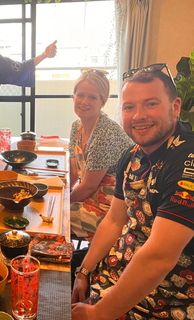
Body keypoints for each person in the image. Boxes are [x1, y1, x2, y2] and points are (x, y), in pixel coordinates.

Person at [71, 64, 194, 320]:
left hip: (172, 292)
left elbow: (158, 257)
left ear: (175, 107)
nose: (138, 116)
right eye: (129, 107)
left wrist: (96, 314)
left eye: (151, 104)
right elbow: (114, 221)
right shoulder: (132, 156)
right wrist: (84, 271)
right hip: (122, 262)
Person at [68, 69, 133, 283]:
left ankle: (68, 271)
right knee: (51, 213)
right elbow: (73, 169)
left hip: (114, 208)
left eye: (92, 97)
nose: (84, 101)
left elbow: (87, 187)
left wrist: (60, 204)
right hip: (92, 196)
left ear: (103, 101)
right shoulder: (76, 126)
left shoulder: (106, 132)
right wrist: (62, 193)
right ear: (74, 95)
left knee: (56, 221)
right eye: (80, 95)